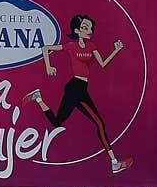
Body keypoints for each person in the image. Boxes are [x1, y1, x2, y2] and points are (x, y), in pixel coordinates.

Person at [26, 14, 133, 174]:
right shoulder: (71, 46)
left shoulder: (92, 46)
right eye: (84, 27)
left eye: (90, 28)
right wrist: (48, 66)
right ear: (77, 31)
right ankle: (114, 163)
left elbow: (103, 64)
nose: (89, 30)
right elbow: (45, 48)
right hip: (75, 88)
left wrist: (115, 50)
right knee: (99, 124)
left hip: (81, 88)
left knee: (57, 123)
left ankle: (38, 98)